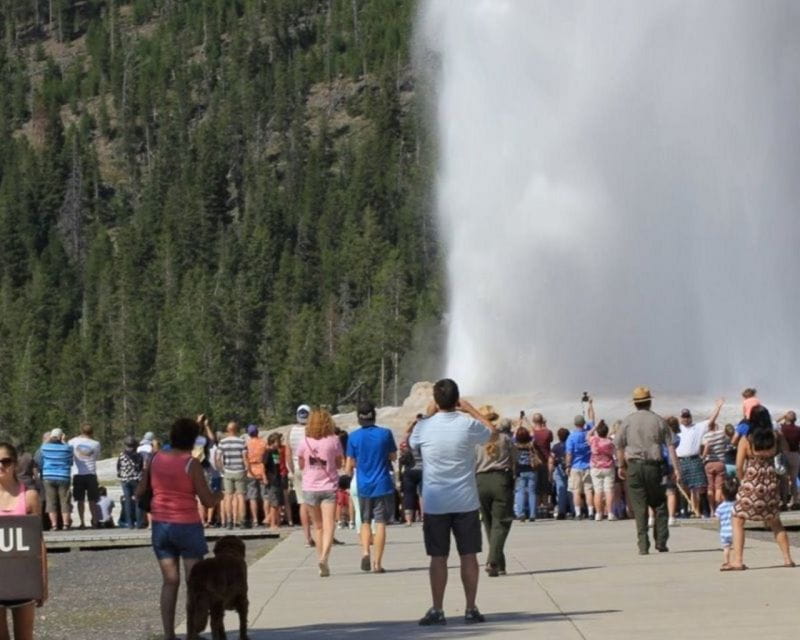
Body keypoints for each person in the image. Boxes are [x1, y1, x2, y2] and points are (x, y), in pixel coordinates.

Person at [409, 378, 495, 626]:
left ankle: (438, 609)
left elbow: (412, 442)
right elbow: (493, 432)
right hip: (465, 501)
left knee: (438, 557)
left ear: (436, 401)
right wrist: (470, 409)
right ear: (457, 399)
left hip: (435, 502)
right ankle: (470, 608)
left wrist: (429, 413)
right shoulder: (467, 424)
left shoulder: (424, 427)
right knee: (469, 555)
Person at [138, 418, 221, 640]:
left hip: (160, 525)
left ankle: (169, 634)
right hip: (187, 525)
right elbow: (207, 500)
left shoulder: (155, 459)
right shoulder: (191, 464)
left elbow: (140, 490)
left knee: (169, 581)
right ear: (192, 440)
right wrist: (219, 496)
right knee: (194, 582)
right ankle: (192, 633)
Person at [726, 405, 794, 571]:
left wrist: (743, 481)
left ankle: (738, 560)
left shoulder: (747, 439)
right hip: (770, 483)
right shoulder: (775, 437)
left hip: (752, 482)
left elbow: (739, 466)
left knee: (738, 519)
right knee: (775, 521)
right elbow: (785, 451)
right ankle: (787, 559)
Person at [616, 386, 681, 555]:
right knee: (659, 503)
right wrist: (676, 469)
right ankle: (661, 541)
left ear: (635, 404)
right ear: (649, 402)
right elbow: (671, 446)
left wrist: (621, 466)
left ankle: (643, 545)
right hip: (654, 467)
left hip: (634, 467)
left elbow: (619, 446)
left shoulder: (627, 421)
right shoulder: (659, 420)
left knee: (639, 506)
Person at [0, 441, 48, 640]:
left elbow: (39, 541)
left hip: (23, 577)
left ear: (14, 464)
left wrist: (43, 583)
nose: (0, 466)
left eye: (5, 461)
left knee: (24, 636)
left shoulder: (29, 496)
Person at [345, 401, 397, 573]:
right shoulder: (385, 433)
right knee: (380, 523)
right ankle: (377, 563)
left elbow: (349, 463)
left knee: (365, 520)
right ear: (374, 415)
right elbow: (393, 456)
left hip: (363, 484)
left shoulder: (353, 437)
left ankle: (365, 551)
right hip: (382, 483)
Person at [296, 409, 343, 577]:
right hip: (328, 486)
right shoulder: (334, 440)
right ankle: (324, 558)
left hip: (310, 487)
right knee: (329, 524)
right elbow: (339, 464)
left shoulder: (304, 441)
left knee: (318, 527)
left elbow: (301, 464)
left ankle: (320, 560)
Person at [475, 405, 515, 577]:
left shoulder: (475, 441)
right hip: (500, 479)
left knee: (489, 523)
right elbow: (515, 459)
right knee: (502, 522)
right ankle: (492, 561)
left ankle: (499, 564)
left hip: (480, 481)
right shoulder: (505, 438)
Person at [676, 400, 723, 517]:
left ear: (691, 417)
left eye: (687, 417)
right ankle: (684, 512)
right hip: (681, 460)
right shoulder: (677, 429)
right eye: (684, 417)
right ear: (680, 418)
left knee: (701, 486)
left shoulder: (698, 427)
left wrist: (718, 407)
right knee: (683, 486)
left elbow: (711, 420)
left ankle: (705, 511)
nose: (686, 419)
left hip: (694, 459)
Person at [288, 405, 314, 545]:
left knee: (302, 502)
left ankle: (307, 537)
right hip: (311, 467)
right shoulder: (311, 430)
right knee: (316, 501)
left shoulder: (291, 431)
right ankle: (322, 531)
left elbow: (288, 453)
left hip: (296, 467)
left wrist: (292, 470)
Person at [68, 424, 102, 529]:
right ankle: (95, 521)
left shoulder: (72, 442)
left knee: (80, 500)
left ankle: (82, 522)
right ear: (92, 432)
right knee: (93, 499)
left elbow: (70, 455)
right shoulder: (96, 444)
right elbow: (96, 456)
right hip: (91, 473)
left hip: (78, 473)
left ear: (81, 431)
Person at [40, 429, 74, 530]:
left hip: (48, 476)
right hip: (63, 476)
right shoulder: (68, 448)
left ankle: (54, 525)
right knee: (65, 501)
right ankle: (66, 524)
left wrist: (49, 439)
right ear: (61, 436)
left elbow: (42, 449)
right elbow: (70, 461)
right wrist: (64, 441)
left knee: (51, 501)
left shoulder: (45, 448)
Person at [216, 421, 247, 529]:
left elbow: (218, 458)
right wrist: (246, 469)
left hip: (228, 471)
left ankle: (229, 522)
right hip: (240, 470)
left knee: (228, 496)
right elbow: (245, 458)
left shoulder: (222, 442)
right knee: (241, 496)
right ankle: (242, 521)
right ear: (237, 430)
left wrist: (222, 469)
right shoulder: (241, 442)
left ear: (228, 430)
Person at [565, 409, 594, 520]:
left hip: (576, 466)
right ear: (584, 423)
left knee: (576, 491)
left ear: (575, 424)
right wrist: (590, 406)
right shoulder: (588, 434)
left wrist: (568, 465)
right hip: (587, 465)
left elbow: (569, 453)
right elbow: (592, 419)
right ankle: (591, 512)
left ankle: (578, 513)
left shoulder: (571, 437)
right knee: (588, 490)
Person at [701, 414, 730, 514]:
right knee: (719, 487)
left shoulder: (705, 436)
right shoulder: (721, 434)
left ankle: (712, 510)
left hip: (708, 463)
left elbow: (704, 447)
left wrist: (703, 457)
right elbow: (728, 440)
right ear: (716, 425)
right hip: (720, 463)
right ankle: (718, 508)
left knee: (710, 487)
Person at [588, 419, 616, 520]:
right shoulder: (610, 442)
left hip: (595, 467)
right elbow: (614, 453)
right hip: (608, 466)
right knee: (609, 490)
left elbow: (588, 434)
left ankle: (598, 513)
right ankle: (610, 513)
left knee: (598, 491)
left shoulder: (593, 440)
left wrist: (595, 426)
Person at [117, 436, 144, 529]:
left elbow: (118, 467)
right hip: (136, 479)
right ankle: (139, 523)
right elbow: (140, 467)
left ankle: (130, 523)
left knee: (128, 501)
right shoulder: (138, 455)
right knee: (138, 500)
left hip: (125, 479)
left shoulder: (122, 455)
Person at [512, 426, 538, 521]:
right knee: (532, 492)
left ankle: (521, 513)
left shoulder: (515, 445)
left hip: (520, 470)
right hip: (531, 469)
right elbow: (534, 434)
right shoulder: (531, 444)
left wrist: (518, 425)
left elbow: (513, 436)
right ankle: (532, 514)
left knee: (520, 492)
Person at [245, 424, 268, 528]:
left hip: (251, 470)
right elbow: (266, 457)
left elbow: (245, 458)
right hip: (261, 469)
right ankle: (266, 518)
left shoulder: (247, 444)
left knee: (252, 497)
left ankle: (255, 520)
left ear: (249, 434)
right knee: (265, 496)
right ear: (257, 432)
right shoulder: (263, 443)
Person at [530, 413, 553, 518]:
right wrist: (545, 426)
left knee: (536, 487)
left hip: (535, 462)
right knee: (544, 487)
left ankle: (537, 509)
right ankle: (545, 508)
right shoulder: (548, 432)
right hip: (545, 461)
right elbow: (550, 439)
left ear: (533, 421)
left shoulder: (532, 433)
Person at [777, 411, 800, 508]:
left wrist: (782, 416)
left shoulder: (781, 428)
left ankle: (784, 502)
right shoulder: (798, 429)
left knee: (784, 480)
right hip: (795, 454)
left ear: (786, 418)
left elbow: (772, 423)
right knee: (794, 479)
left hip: (783, 454)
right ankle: (796, 501)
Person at [714, 478, 737, 570]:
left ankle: (726, 562)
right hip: (734, 530)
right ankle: (735, 561)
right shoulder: (737, 505)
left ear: (723, 495)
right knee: (735, 547)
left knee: (726, 548)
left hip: (724, 531)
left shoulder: (720, 507)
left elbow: (717, 518)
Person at [550, 428, 572, 519]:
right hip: (570, 467)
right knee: (571, 490)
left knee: (561, 490)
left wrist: (550, 472)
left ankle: (561, 511)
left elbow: (551, 459)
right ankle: (573, 510)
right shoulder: (570, 445)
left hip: (559, 468)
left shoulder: (555, 447)